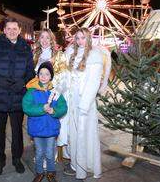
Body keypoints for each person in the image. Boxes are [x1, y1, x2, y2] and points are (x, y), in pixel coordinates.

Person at [0, 17, 35, 175]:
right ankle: (0, 160)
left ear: (19, 31)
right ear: (4, 30)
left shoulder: (25, 47)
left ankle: (17, 159)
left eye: (14, 28)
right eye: (8, 28)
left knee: (18, 130)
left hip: (18, 96)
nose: (11, 31)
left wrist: (23, 83)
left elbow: (30, 71)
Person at [63, 28, 104, 179]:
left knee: (84, 133)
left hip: (84, 103)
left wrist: (84, 105)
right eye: (77, 38)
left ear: (88, 39)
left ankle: (84, 165)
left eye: (83, 38)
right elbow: (67, 75)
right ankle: (75, 163)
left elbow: (93, 83)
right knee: (73, 133)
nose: (80, 41)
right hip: (72, 99)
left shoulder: (94, 55)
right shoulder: (72, 54)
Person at [23, 61, 67, 182]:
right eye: (41, 73)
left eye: (47, 74)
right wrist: (42, 108)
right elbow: (26, 107)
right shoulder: (31, 91)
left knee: (49, 153)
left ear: (51, 76)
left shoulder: (55, 92)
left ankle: (51, 172)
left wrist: (54, 111)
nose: (43, 76)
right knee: (39, 153)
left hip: (51, 129)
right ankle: (39, 172)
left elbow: (63, 107)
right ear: (37, 75)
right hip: (37, 129)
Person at [32, 29, 70, 158]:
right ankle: (39, 152)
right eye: (42, 37)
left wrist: (55, 91)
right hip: (38, 94)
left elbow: (65, 75)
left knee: (50, 125)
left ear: (52, 39)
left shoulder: (59, 55)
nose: (44, 40)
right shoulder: (35, 54)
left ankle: (50, 156)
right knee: (38, 122)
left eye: (47, 38)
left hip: (52, 94)